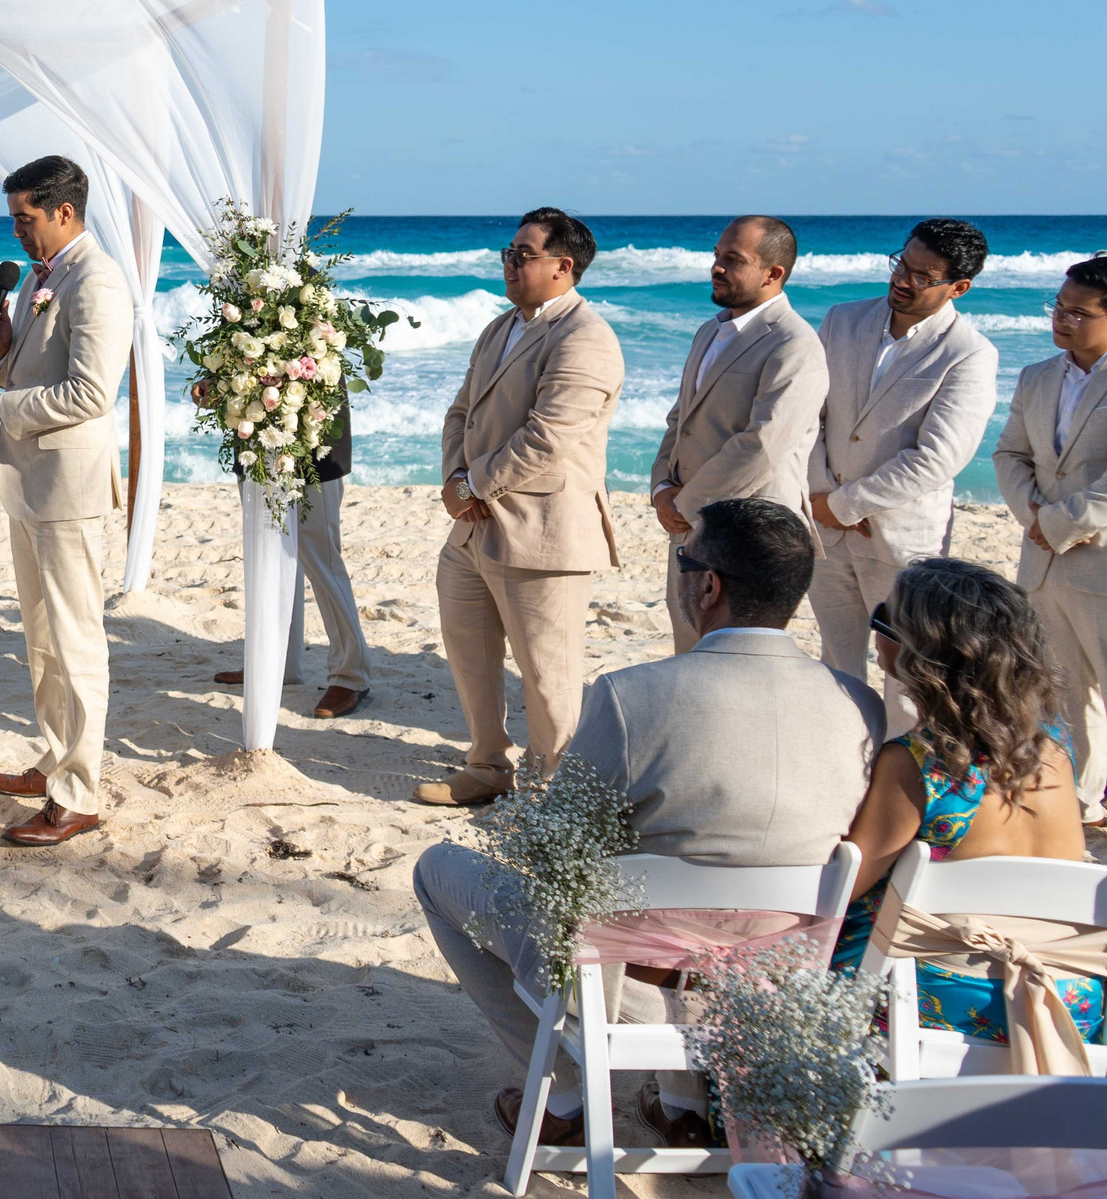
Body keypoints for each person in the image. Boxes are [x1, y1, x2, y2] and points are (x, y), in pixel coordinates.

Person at [416, 497, 884, 1150]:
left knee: (439, 872)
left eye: (686, 561)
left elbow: (556, 858)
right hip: (775, 987)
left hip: (632, 985)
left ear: (709, 586)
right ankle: (679, 1101)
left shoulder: (630, 696)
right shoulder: (859, 707)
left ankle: (561, 1094)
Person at [0, 157, 135, 848]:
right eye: (14, 221)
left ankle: (79, 794)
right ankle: (57, 761)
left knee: (77, 641)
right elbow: (26, 368)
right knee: (42, 640)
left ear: (63, 211)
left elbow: (91, 395)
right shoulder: (38, 278)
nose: (19, 234)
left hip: (72, 486)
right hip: (30, 479)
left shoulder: (99, 280)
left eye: (26, 219)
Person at [830, 559, 1098, 1049]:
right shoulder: (1055, 748)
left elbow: (843, 888)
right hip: (1070, 995)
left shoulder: (918, 764)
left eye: (886, 615)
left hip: (950, 998)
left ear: (918, 650)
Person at [415, 210, 625, 808]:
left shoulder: (587, 336)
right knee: (469, 649)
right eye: (509, 251)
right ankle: (486, 764)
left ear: (564, 267)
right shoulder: (498, 327)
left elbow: (549, 435)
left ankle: (553, 792)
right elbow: (461, 412)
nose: (510, 262)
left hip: (543, 530)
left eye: (524, 254)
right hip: (472, 526)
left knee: (548, 676)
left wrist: (476, 484)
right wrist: (456, 480)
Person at [806, 220, 998, 685]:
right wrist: (820, 493)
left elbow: (937, 457)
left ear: (959, 287)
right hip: (821, 525)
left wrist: (845, 505)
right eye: (901, 265)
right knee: (836, 663)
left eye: (921, 276)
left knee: (909, 674)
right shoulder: (842, 319)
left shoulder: (969, 354)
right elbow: (809, 413)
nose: (901, 280)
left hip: (901, 539)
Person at [649, 216, 827, 651]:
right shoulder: (709, 331)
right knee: (688, 645)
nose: (717, 267)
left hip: (752, 534)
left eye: (734, 260)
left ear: (774, 273)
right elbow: (680, 420)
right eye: (716, 257)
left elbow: (763, 445)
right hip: (691, 525)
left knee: (733, 657)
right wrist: (660, 487)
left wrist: (687, 506)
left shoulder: (794, 344)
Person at [993, 252, 1107, 824]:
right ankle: (1083, 807)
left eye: (1079, 313)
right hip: (1041, 561)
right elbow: (1009, 452)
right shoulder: (1036, 376)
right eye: (1058, 307)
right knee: (1062, 692)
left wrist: (1061, 523)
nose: (1062, 319)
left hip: (1100, 561)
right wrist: (1031, 515)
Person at [211, 402, 374, 717]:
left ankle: (350, 674)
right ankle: (277, 663)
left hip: (315, 441)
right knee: (267, 548)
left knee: (319, 555)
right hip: (258, 441)